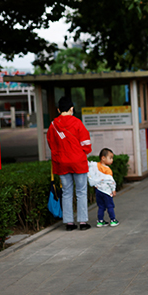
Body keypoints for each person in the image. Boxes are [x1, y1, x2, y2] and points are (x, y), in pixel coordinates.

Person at [47, 96, 92, 231]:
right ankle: (83, 222)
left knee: (66, 192)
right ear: (72, 108)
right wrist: (82, 151)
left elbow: (51, 144)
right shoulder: (77, 123)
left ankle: (69, 223)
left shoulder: (53, 125)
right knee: (81, 191)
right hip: (78, 162)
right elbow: (86, 144)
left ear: (59, 109)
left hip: (62, 163)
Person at [91, 148, 119, 228]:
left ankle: (100, 221)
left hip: (98, 191)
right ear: (103, 158)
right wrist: (113, 190)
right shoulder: (108, 170)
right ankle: (113, 220)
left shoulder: (96, 167)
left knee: (101, 206)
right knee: (110, 206)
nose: (112, 160)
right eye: (110, 158)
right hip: (107, 191)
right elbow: (111, 181)